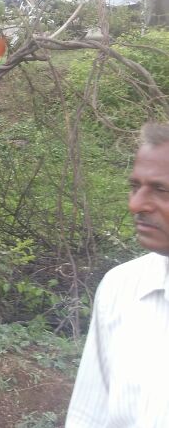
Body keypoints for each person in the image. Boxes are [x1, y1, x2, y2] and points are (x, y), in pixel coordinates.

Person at [66, 123, 169, 426]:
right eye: (135, 187)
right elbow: (88, 417)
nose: (135, 204)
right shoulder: (122, 288)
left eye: (161, 190)